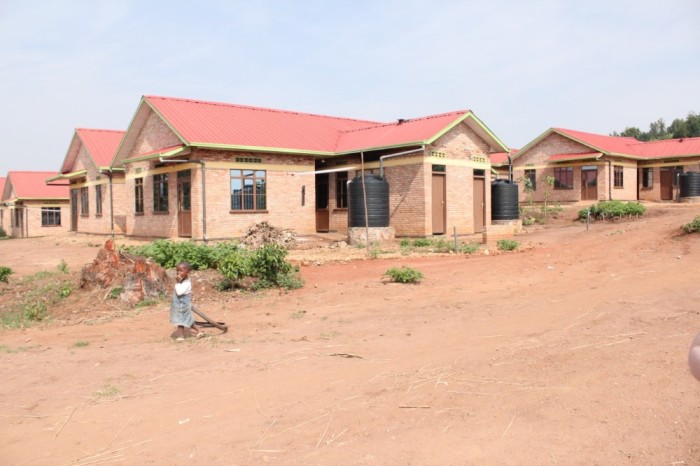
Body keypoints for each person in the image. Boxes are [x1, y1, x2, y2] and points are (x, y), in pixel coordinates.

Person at [170, 261, 204, 341]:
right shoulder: (182, 281)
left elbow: (179, 292)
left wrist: (177, 283)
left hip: (182, 305)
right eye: (177, 270)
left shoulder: (186, 283)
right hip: (178, 305)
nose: (178, 272)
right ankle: (199, 331)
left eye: (181, 271)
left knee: (181, 320)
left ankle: (181, 336)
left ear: (188, 272)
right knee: (185, 319)